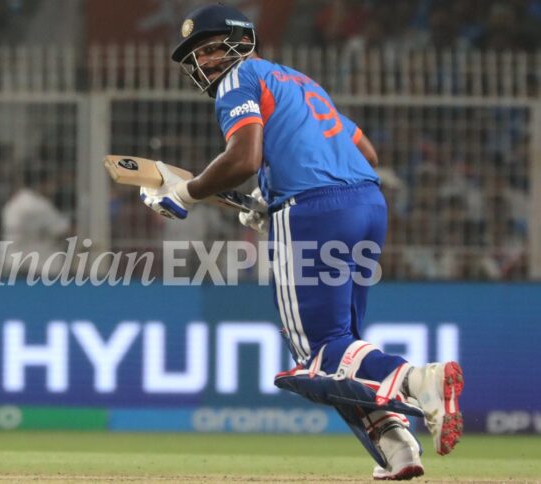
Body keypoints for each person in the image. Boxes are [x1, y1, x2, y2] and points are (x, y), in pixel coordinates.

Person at [140, 4, 463, 480]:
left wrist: (183, 193)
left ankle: (420, 380)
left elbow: (244, 156)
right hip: (367, 205)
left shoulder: (237, 80)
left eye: (211, 48)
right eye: (198, 55)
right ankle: (399, 453)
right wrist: (267, 196)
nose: (206, 61)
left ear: (241, 40)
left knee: (317, 356)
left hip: (314, 210)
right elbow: (364, 151)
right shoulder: (298, 81)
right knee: (341, 347)